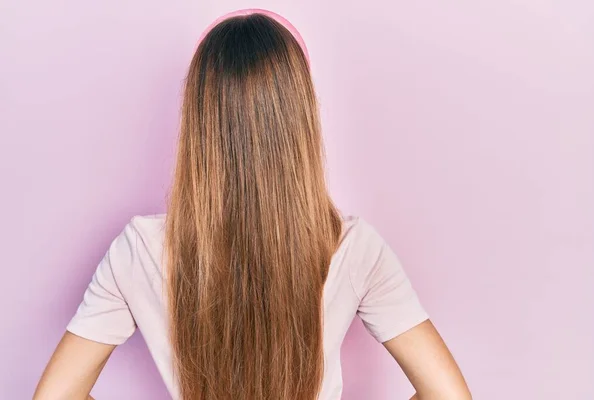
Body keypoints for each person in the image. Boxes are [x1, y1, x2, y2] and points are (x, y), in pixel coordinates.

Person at [33, 12, 471, 400]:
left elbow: (56, 396)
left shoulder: (139, 248)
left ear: (199, 120)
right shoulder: (353, 247)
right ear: (300, 119)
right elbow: (449, 395)